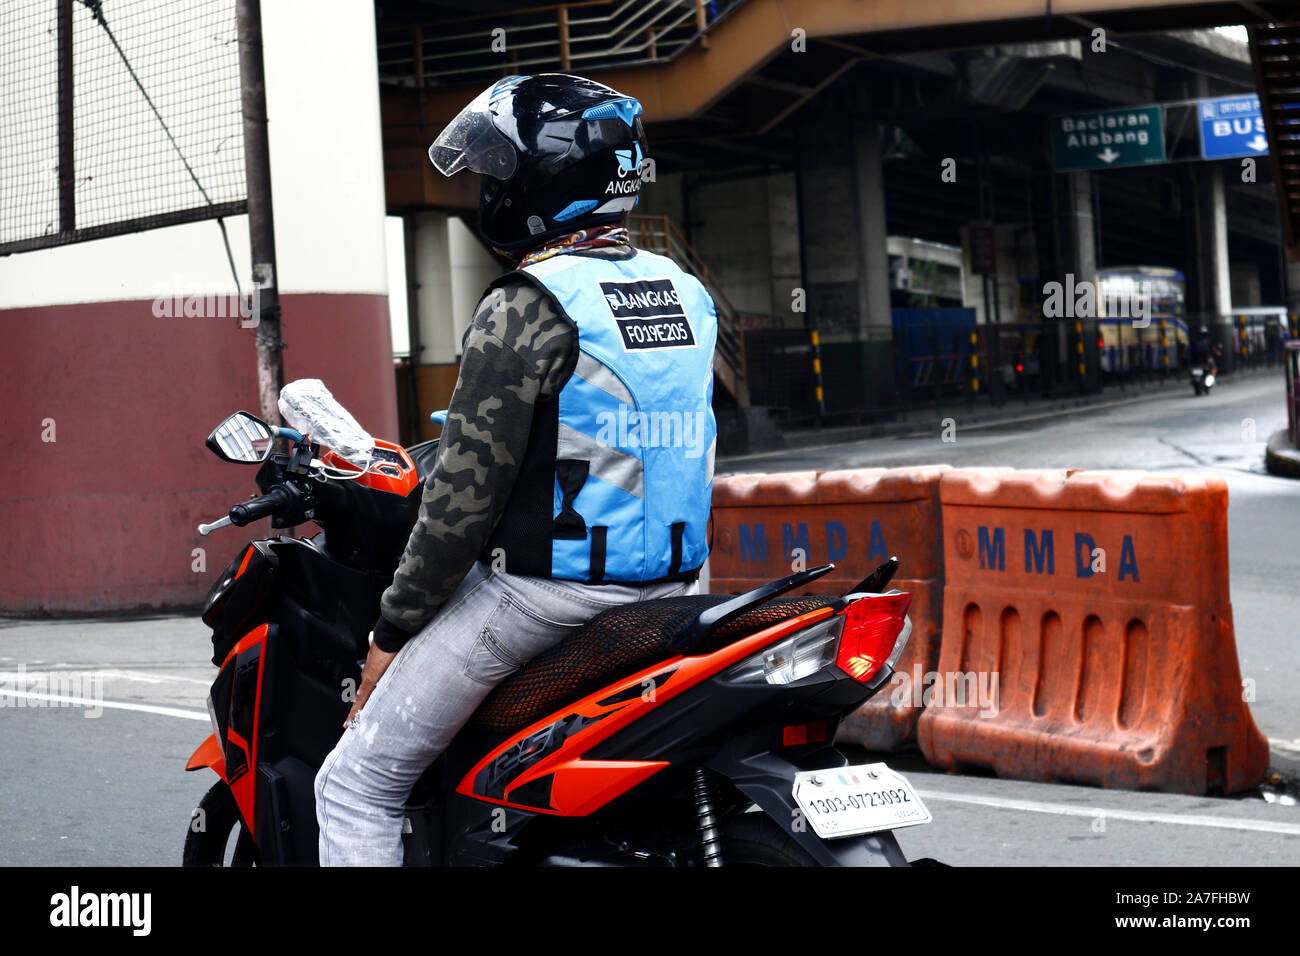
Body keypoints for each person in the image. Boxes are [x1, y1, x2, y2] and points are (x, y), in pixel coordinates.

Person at [313, 74, 719, 866]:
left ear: (543, 180)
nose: (491, 184)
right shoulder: (688, 295)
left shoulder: (527, 303)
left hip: (544, 600)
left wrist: (391, 631)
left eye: (503, 167)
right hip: (676, 593)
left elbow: (462, 507)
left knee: (358, 782)